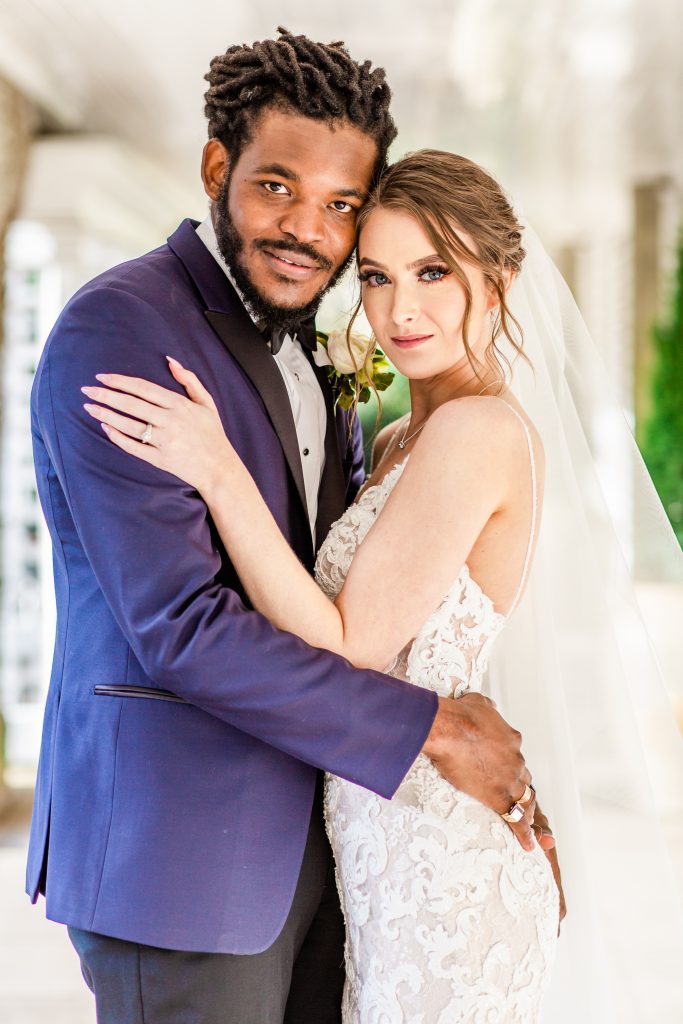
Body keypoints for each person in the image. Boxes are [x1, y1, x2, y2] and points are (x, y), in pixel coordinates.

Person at [87, 147, 683, 1023]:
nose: (401, 310)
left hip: (438, 861)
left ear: (501, 277)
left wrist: (217, 470)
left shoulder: (477, 431)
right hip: (377, 842)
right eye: (375, 276)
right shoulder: (403, 435)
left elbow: (350, 643)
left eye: (433, 271)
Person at [28, 31, 545, 1024]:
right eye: (276, 186)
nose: (308, 228)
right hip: (185, 861)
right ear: (216, 168)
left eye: (341, 205)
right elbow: (182, 629)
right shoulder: (127, 329)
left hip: (336, 854)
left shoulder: (322, 350)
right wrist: (428, 729)